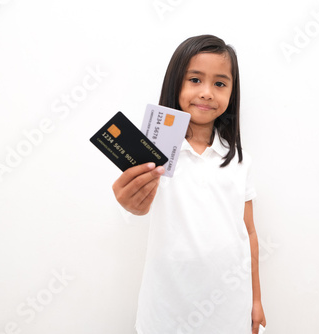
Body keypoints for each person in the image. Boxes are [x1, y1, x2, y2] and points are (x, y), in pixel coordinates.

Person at [112, 34, 266, 334]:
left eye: (220, 83)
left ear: (232, 93)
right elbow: (133, 211)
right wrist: (129, 204)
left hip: (228, 309)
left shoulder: (240, 160)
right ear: (175, 84)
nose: (207, 93)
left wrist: (256, 299)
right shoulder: (151, 155)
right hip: (166, 308)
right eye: (195, 80)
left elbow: (249, 232)